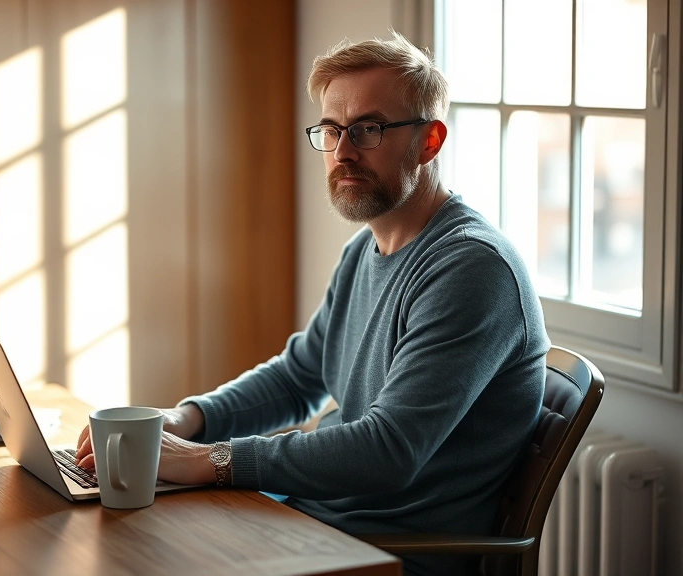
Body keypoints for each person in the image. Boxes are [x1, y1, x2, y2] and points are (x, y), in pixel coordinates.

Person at [76, 31, 549, 576]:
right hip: (314, 524)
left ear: (430, 141)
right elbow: (298, 379)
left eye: (368, 129)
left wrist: (211, 461)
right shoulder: (364, 249)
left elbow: (388, 451)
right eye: (331, 129)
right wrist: (186, 419)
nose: (343, 152)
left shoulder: (471, 269)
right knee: (118, 536)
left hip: (385, 556)